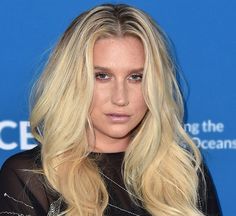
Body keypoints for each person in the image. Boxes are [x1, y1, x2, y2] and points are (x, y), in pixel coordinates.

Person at [0, 3, 221, 216]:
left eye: (136, 77)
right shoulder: (30, 177)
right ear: (71, 81)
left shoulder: (184, 172)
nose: (120, 98)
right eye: (102, 76)